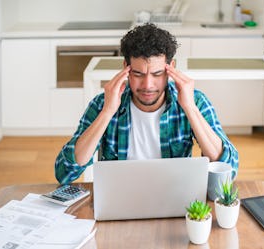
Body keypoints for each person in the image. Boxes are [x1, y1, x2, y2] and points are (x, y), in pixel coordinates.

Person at [55, 23, 238, 184]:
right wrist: (107, 112)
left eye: (157, 74)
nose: (148, 85)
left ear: (170, 68)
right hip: (120, 198)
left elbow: (228, 170)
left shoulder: (194, 101)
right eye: (138, 74)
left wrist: (190, 108)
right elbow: (64, 173)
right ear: (125, 67)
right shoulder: (104, 103)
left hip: (174, 195)